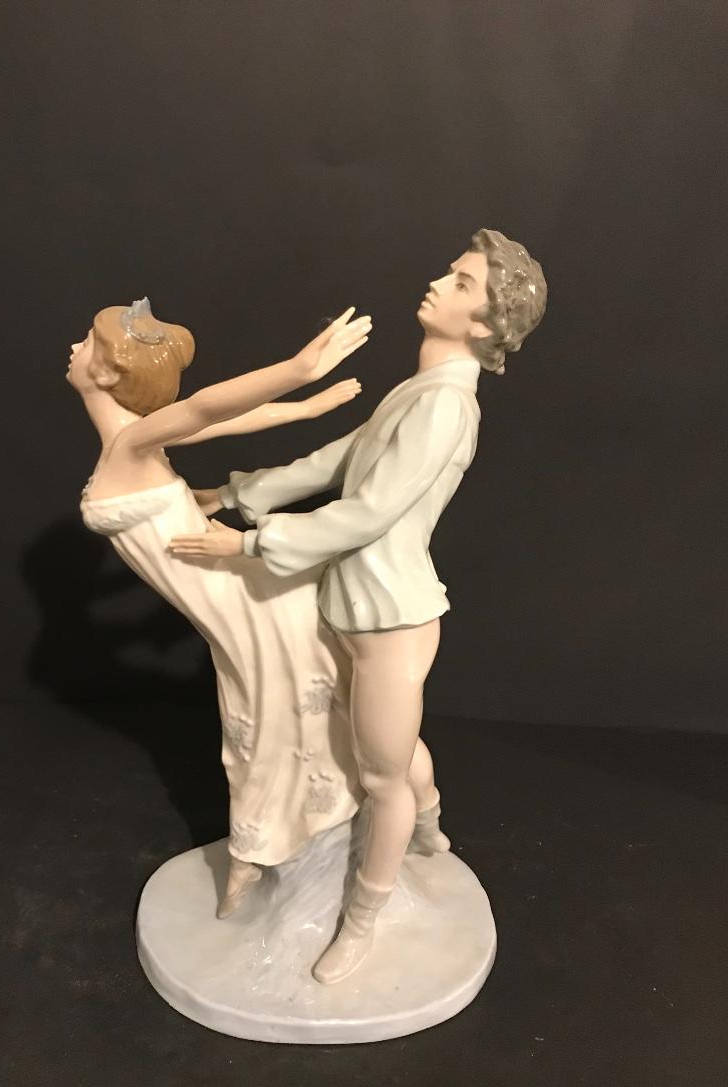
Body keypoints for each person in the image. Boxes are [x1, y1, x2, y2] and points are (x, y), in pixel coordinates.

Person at [170, 229, 548, 983]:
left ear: (486, 323)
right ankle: (432, 827)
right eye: (452, 272)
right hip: (353, 605)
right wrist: (235, 493)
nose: (440, 282)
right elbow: (334, 460)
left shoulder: (446, 407)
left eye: (463, 283)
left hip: (389, 620)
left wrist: (249, 543)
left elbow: (368, 512)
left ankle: (362, 920)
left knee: (380, 777)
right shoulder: (420, 391)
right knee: (391, 750)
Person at [70, 297, 372, 916]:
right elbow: (221, 420)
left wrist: (300, 374)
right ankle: (263, 849)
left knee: (271, 720)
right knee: (264, 721)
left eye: (87, 343)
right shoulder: (136, 443)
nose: (74, 348)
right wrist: (305, 404)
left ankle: (266, 851)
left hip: (247, 600)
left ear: (105, 372)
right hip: (233, 605)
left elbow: (207, 408)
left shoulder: (132, 447)